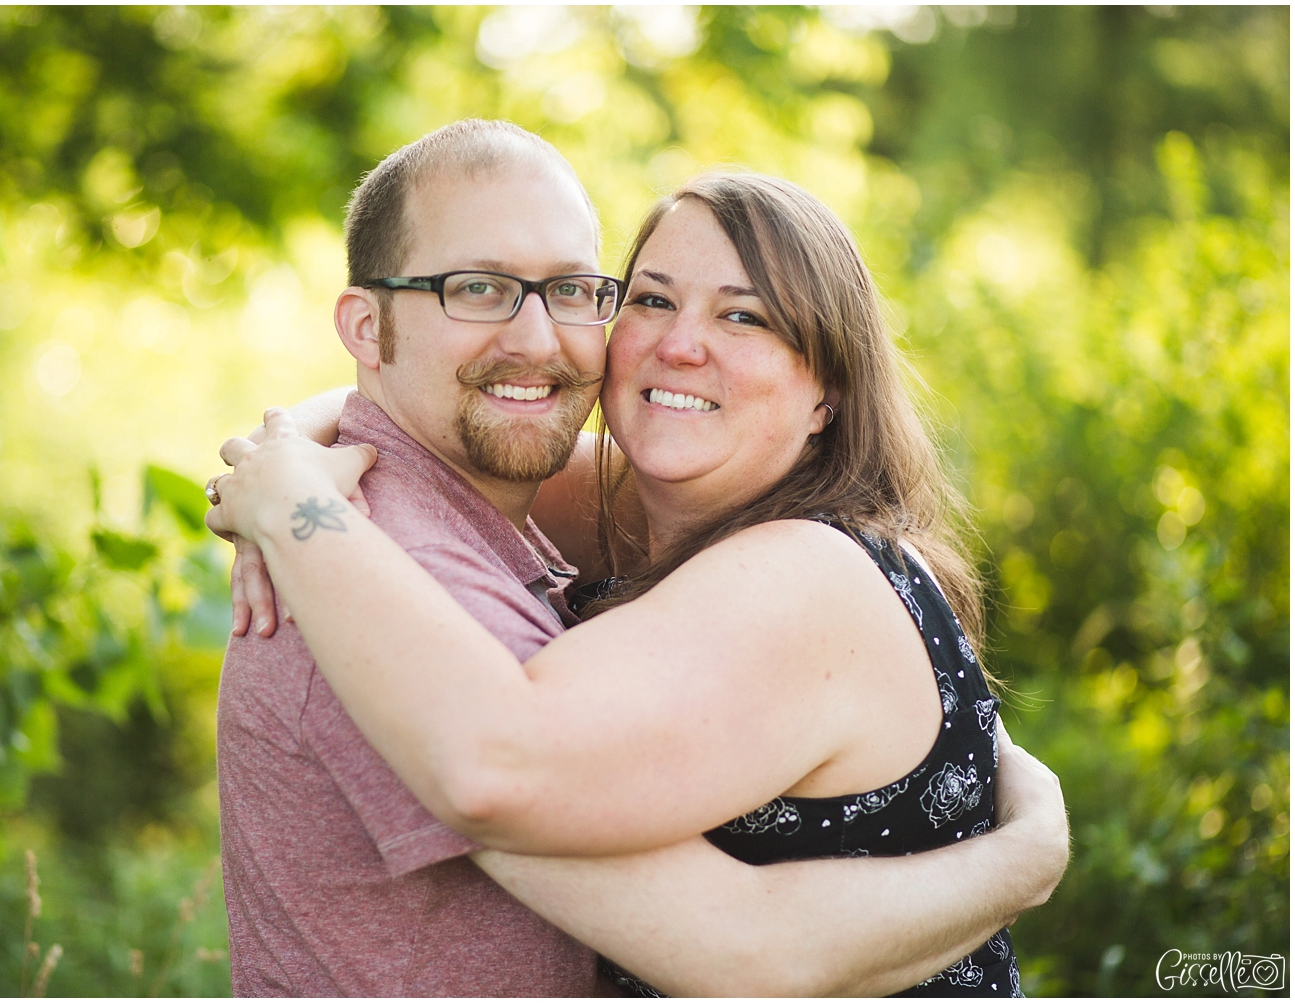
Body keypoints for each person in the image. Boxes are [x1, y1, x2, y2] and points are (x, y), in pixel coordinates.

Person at [212, 120, 1068, 997]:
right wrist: (293, 459)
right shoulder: (422, 558)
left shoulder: (795, 577)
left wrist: (295, 498)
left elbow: (741, 948)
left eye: (745, 315)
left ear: (830, 391)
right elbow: (414, 420)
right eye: (651, 300)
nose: (677, 344)